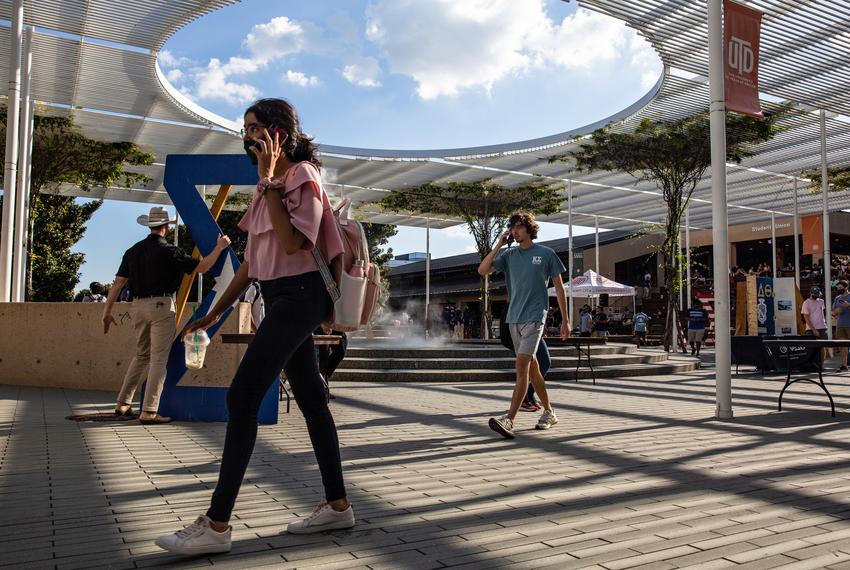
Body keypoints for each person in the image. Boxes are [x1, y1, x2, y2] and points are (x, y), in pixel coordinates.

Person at [155, 98, 354, 556]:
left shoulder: (301, 176)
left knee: (241, 396)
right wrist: (214, 312)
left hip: (302, 295)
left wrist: (267, 182)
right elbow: (251, 263)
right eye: (244, 130)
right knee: (310, 397)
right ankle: (338, 505)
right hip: (281, 297)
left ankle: (217, 525)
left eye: (254, 128)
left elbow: (292, 241)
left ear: (279, 133)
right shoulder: (268, 186)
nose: (247, 137)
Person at [102, 206, 231, 425]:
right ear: (166, 227)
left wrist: (107, 312)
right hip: (161, 306)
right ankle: (150, 411)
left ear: (149, 226)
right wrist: (219, 248)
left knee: (141, 355)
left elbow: (117, 284)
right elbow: (202, 267)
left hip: (137, 306)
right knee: (159, 358)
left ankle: (122, 404)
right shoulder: (170, 251)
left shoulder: (132, 251)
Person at [478, 211, 570, 439]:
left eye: (519, 227)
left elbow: (559, 288)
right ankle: (549, 412)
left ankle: (509, 419)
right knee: (534, 368)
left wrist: (566, 321)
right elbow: (483, 270)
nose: (515, 231)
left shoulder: (546, 254)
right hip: (514, 318)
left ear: (529, 229)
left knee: (522, 368)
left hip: (535, 316)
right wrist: (499, 244)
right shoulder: (509, 256)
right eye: (513, 227)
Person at [317, 323, 347, 399]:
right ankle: (322, 389)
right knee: (324, 355)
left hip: (335, 322)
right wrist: (323, 323)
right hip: (322, 321)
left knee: (341, 350)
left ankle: (319, 381)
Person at [832, 280, 850, 372]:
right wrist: (835, 312)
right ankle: (844, 365)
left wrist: (848, 305)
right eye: (837, 288)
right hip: (840, 325)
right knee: (843, 346)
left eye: (840, 288)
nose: (838, 289)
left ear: (846, 287)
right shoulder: (837, 298)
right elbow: (833, 312)